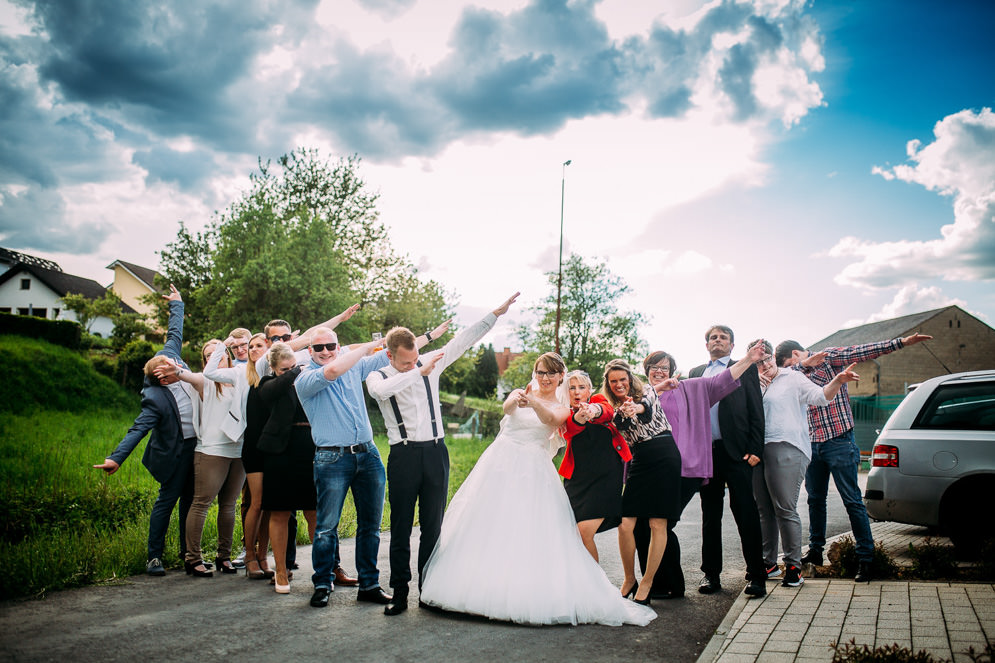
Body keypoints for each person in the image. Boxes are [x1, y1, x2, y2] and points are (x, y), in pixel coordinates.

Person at [419, 353, 656, 626]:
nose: (544, 378)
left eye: (551, 374)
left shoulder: (563, 405)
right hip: (500, 460)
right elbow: (507, 409)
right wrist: (517, 397)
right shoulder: (525, 391)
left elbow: (550, 420)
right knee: (489, 521)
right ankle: (483, 584)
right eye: (541, 372)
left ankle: (526, 590)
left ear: (559, 378)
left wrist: (533, 402)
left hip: (531, 465)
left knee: (529, 525)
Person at [367, 294, 516, 616]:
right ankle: (400, 593)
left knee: (433, 525)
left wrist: (494, 314)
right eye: (406, 361)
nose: (414, 364)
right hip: (403, 456)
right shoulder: (378, 376)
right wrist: (415, 373)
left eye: (416, 359)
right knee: (401, 526)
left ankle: (429, 591)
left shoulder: (428, 362)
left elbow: (463, 339)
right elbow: (382, 393)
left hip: (436, 453)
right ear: (390, 355)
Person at [295, 323, 444, 608]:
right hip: (331, 457)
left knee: (371, 526)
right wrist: (361, 348)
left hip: (368, 454)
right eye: (318, 347)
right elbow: (333, 371)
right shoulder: (305, 378)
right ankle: (323, 583)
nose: (326, 351)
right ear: (309, 351)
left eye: (331, 346)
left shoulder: (356, 367)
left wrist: (428, 337)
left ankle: (369, 584)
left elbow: (396, 353)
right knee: (327, 527)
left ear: (338, 346)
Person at [785, 332, 932, 582]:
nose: (791, 370)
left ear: (796, 353)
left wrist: (901, 342)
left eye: (790, 364)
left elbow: (863, 350)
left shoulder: (829, 359)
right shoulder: (794, 373)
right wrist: (799, 367)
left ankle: (866, 559)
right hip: (812, 444)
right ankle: (816, 551)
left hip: (839, 442)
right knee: (815, 500)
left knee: (852, 500)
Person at [639, 346, 768, 599]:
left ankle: (756, 575)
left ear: (673, 371)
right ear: (646, 371)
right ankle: (685, 579)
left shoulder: (687, 388)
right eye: (654, 367)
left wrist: (748, 360)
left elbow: (722, 381)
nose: (659, 371)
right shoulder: (642, 395)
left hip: (690, 465)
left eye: (664, 367)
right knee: (658, 523)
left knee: (741, 512)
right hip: (655, 469)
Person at [94, 285, 200, 577]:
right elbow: (138, 429)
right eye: (170, 369)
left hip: (197, 449)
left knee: (191, 503)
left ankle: (187, 555)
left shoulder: (172, 357)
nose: (177, 367)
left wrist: (177, 304)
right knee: (168, 501)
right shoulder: (154, 398)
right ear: (161, 378)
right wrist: (116, 458)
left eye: (176, 363)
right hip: (174, 454)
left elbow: (174, 333)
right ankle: (154, 557)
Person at [752, 340, 859, 587]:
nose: (764, 365)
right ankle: (768, 564)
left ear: (772, 357)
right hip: (759, 451)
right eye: (757, 362)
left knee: (785, 508)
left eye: (766, 358)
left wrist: (838, 381)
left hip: (788, 446)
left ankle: (793, 567)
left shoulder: (792, 377)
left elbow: (821, 397)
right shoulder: (753, 384)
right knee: (764, 511)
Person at [158, 339, 247, 576]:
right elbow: (184, 375)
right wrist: (175, 370)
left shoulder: (239, 377)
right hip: (212, 450)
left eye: (218, 354)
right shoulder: (205, 381)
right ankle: (193, 558)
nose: (214, 358)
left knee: (229, 506)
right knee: (201, 503)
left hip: (238, 450)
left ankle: (223, 556)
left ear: (229, 357)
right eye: (208, 356)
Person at [689, 325, 767, 595]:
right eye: (713, 337)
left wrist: (756, 448)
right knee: (710, 516)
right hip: (706, 454)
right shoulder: (696, 373)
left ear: (732, 345)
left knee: (745, 512)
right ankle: (711, 575)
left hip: (737, 453)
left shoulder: (745, 368)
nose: (717, 340)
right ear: (707, 344)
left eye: (723, 337)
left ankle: (756, 575)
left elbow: (756, 409)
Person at [600, 359, 681, 606]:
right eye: (613, 381)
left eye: (622, 379)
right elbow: (620, 425)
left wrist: (634, 408)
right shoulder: (611, 406)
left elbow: (645, 409)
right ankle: (629, 579)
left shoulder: (646, 390)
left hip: (664, 452)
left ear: (630, 378)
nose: (618, 384)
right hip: (639, 459)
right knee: (625, 524)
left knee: (658, 523)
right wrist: (624, 412)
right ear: (608, 383)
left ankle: (647, 582)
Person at [255, 342, 322, 594]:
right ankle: (280, 571)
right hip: (280, 453)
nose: (291, 371)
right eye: (285, 369)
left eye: (294, 366)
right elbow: (272, 391)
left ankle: (323, 571)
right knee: (281, 513)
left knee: (314, 513)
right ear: (273, 368)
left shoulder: (309, 380)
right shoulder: (267, 384)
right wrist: (296, 372)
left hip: (310, 449)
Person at [204, 331, 271, 580]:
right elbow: (209, 372)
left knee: (272, 505)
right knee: (257, 502)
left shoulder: (278, 372)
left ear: (269, 348)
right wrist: (223, 345)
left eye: (257, 345)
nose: (252, 349)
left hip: (276, 445)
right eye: (248, 346)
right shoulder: (240, 373)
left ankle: (264, 555)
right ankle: (250, 555)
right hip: (252, 444)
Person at [558, 369, 630, 562]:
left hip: (605, 478)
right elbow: (568, 430)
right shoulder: (564, 412)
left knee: (583, 533)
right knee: (572, 535)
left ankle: (597, 587)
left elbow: (606, 412)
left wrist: (593, 411)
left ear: (589, 390)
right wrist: (579, 417)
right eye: (571, 388)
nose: (576, 391)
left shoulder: (599, 401)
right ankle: (582, 584)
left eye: (581, 387)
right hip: (577, 481)